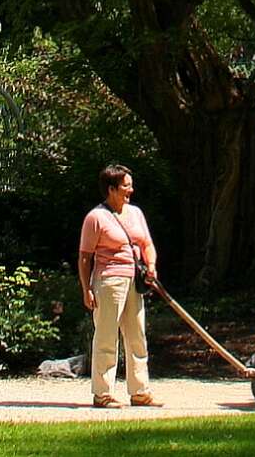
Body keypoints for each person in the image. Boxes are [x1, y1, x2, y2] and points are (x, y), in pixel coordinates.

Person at [78, 163, 160, 409]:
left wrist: (152, 266)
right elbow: (84, 257)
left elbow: (146, 243)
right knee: (106, 336)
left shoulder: (136, 213)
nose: (130, 190)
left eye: (130, 185)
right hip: (108, 281)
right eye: (126, 186)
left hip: (134, 280)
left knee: (137, 337)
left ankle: (140, 392)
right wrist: (86, 289)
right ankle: (102, 394)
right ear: (111, 189)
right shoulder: (95, 217)